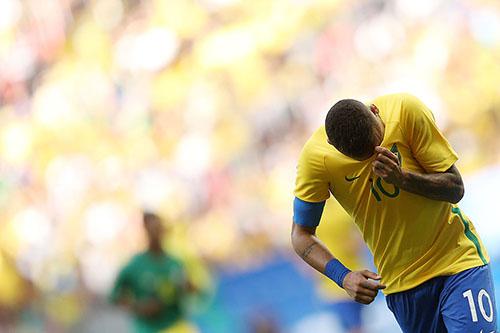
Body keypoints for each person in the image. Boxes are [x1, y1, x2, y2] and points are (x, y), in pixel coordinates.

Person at [291, 93, 497, 332]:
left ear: (375, 110)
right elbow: (300, 234)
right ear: (333, 147)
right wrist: (343, 276)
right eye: (364, 157)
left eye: (380, 141)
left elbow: (455, 188)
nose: (377, 152)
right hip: (403, 286)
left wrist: (403, 178)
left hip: (457, 260)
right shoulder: (316, 160)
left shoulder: (406, 111)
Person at [110, 211, 194, 333]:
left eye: (158, 227)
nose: (155, 233)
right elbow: (114, 295)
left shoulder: (175, 263)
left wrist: (189, 287)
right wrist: (138, 307)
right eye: (151, 229)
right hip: (148, 328)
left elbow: (193, 290)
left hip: (176, 325)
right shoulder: (134, 265)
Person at [314, 198, 367, 333]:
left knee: (354, 327)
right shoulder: (344, 207)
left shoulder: (309, 214)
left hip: (333, 285)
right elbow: (360, 238)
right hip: (355, 277)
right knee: (356, 327)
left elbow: (297, 245)